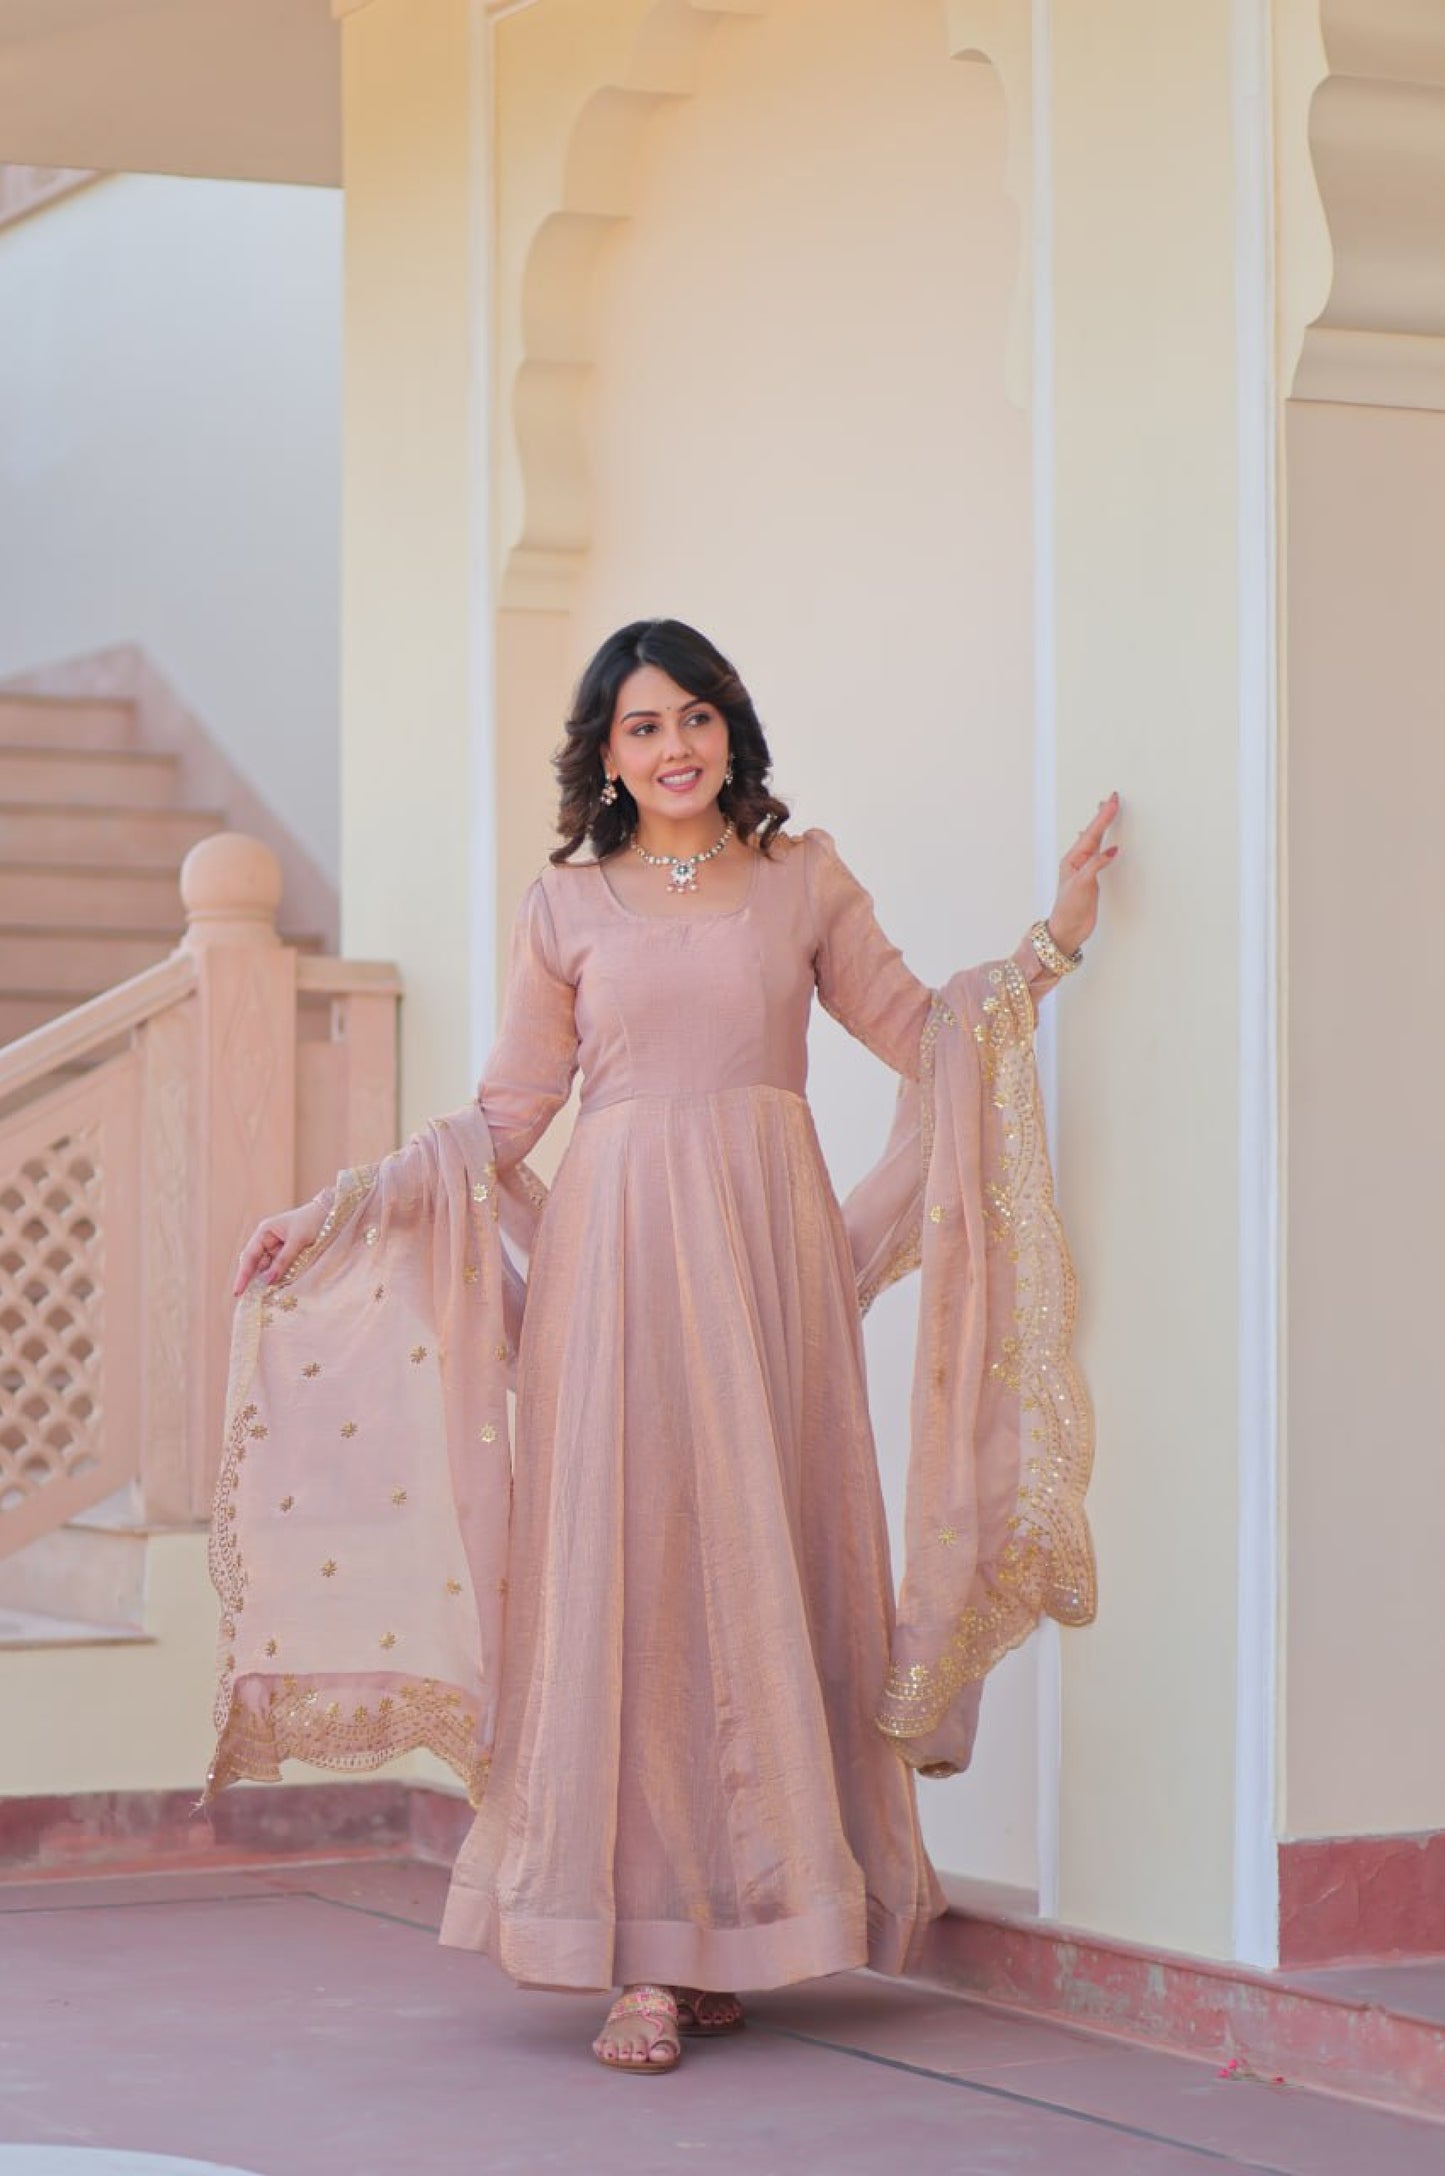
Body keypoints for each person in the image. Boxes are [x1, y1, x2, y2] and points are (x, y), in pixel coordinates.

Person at [213, 619, 1118, 2076]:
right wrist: (335, 1209)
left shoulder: (803, 879)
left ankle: (738, 1925)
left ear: (729, 728)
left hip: (767, 1269)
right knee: (627, 1586)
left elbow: (926, 1038)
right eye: (643, 726)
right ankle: (637, 1956)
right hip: (618, 1267)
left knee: (762, 1567)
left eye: (694, 716)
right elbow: (504, 1118)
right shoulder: (566, 907)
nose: (675, 745)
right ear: (609, 756)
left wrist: (1053, 941)